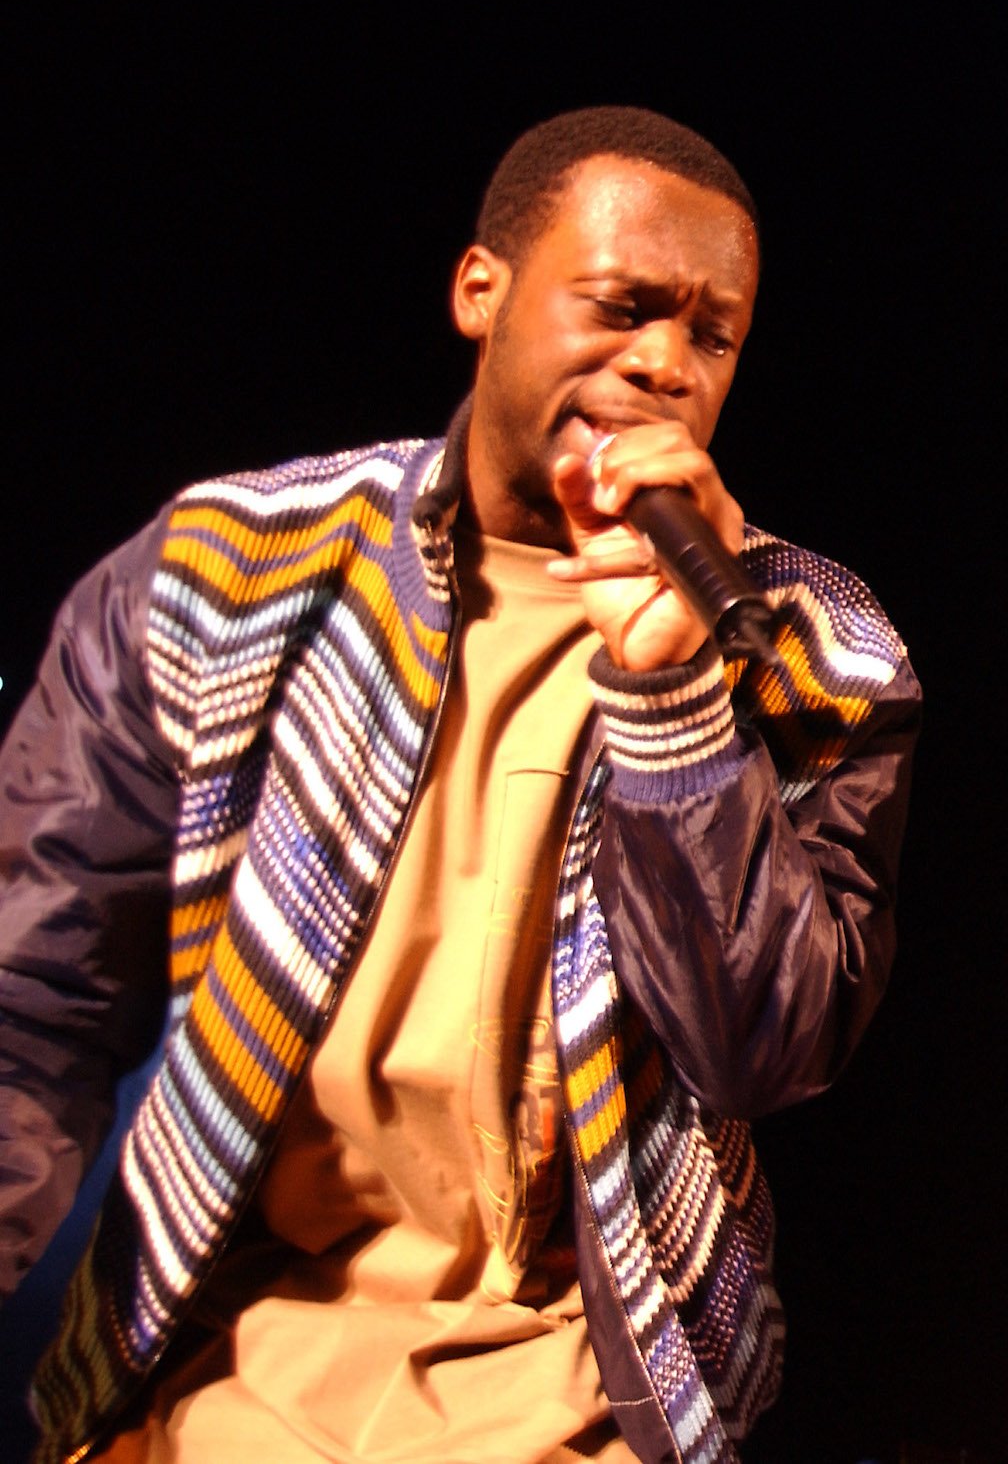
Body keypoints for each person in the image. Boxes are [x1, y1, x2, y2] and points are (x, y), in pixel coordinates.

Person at [0, 107, 920, 1464]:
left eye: (711, 335)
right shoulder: (219, 576)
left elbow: (771, 1044)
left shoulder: (812, 647)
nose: (665, 363)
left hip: (569, 1394)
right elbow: (39, 997)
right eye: (623, 307)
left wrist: (671, 696)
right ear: (480, 291)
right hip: (218, 1367)